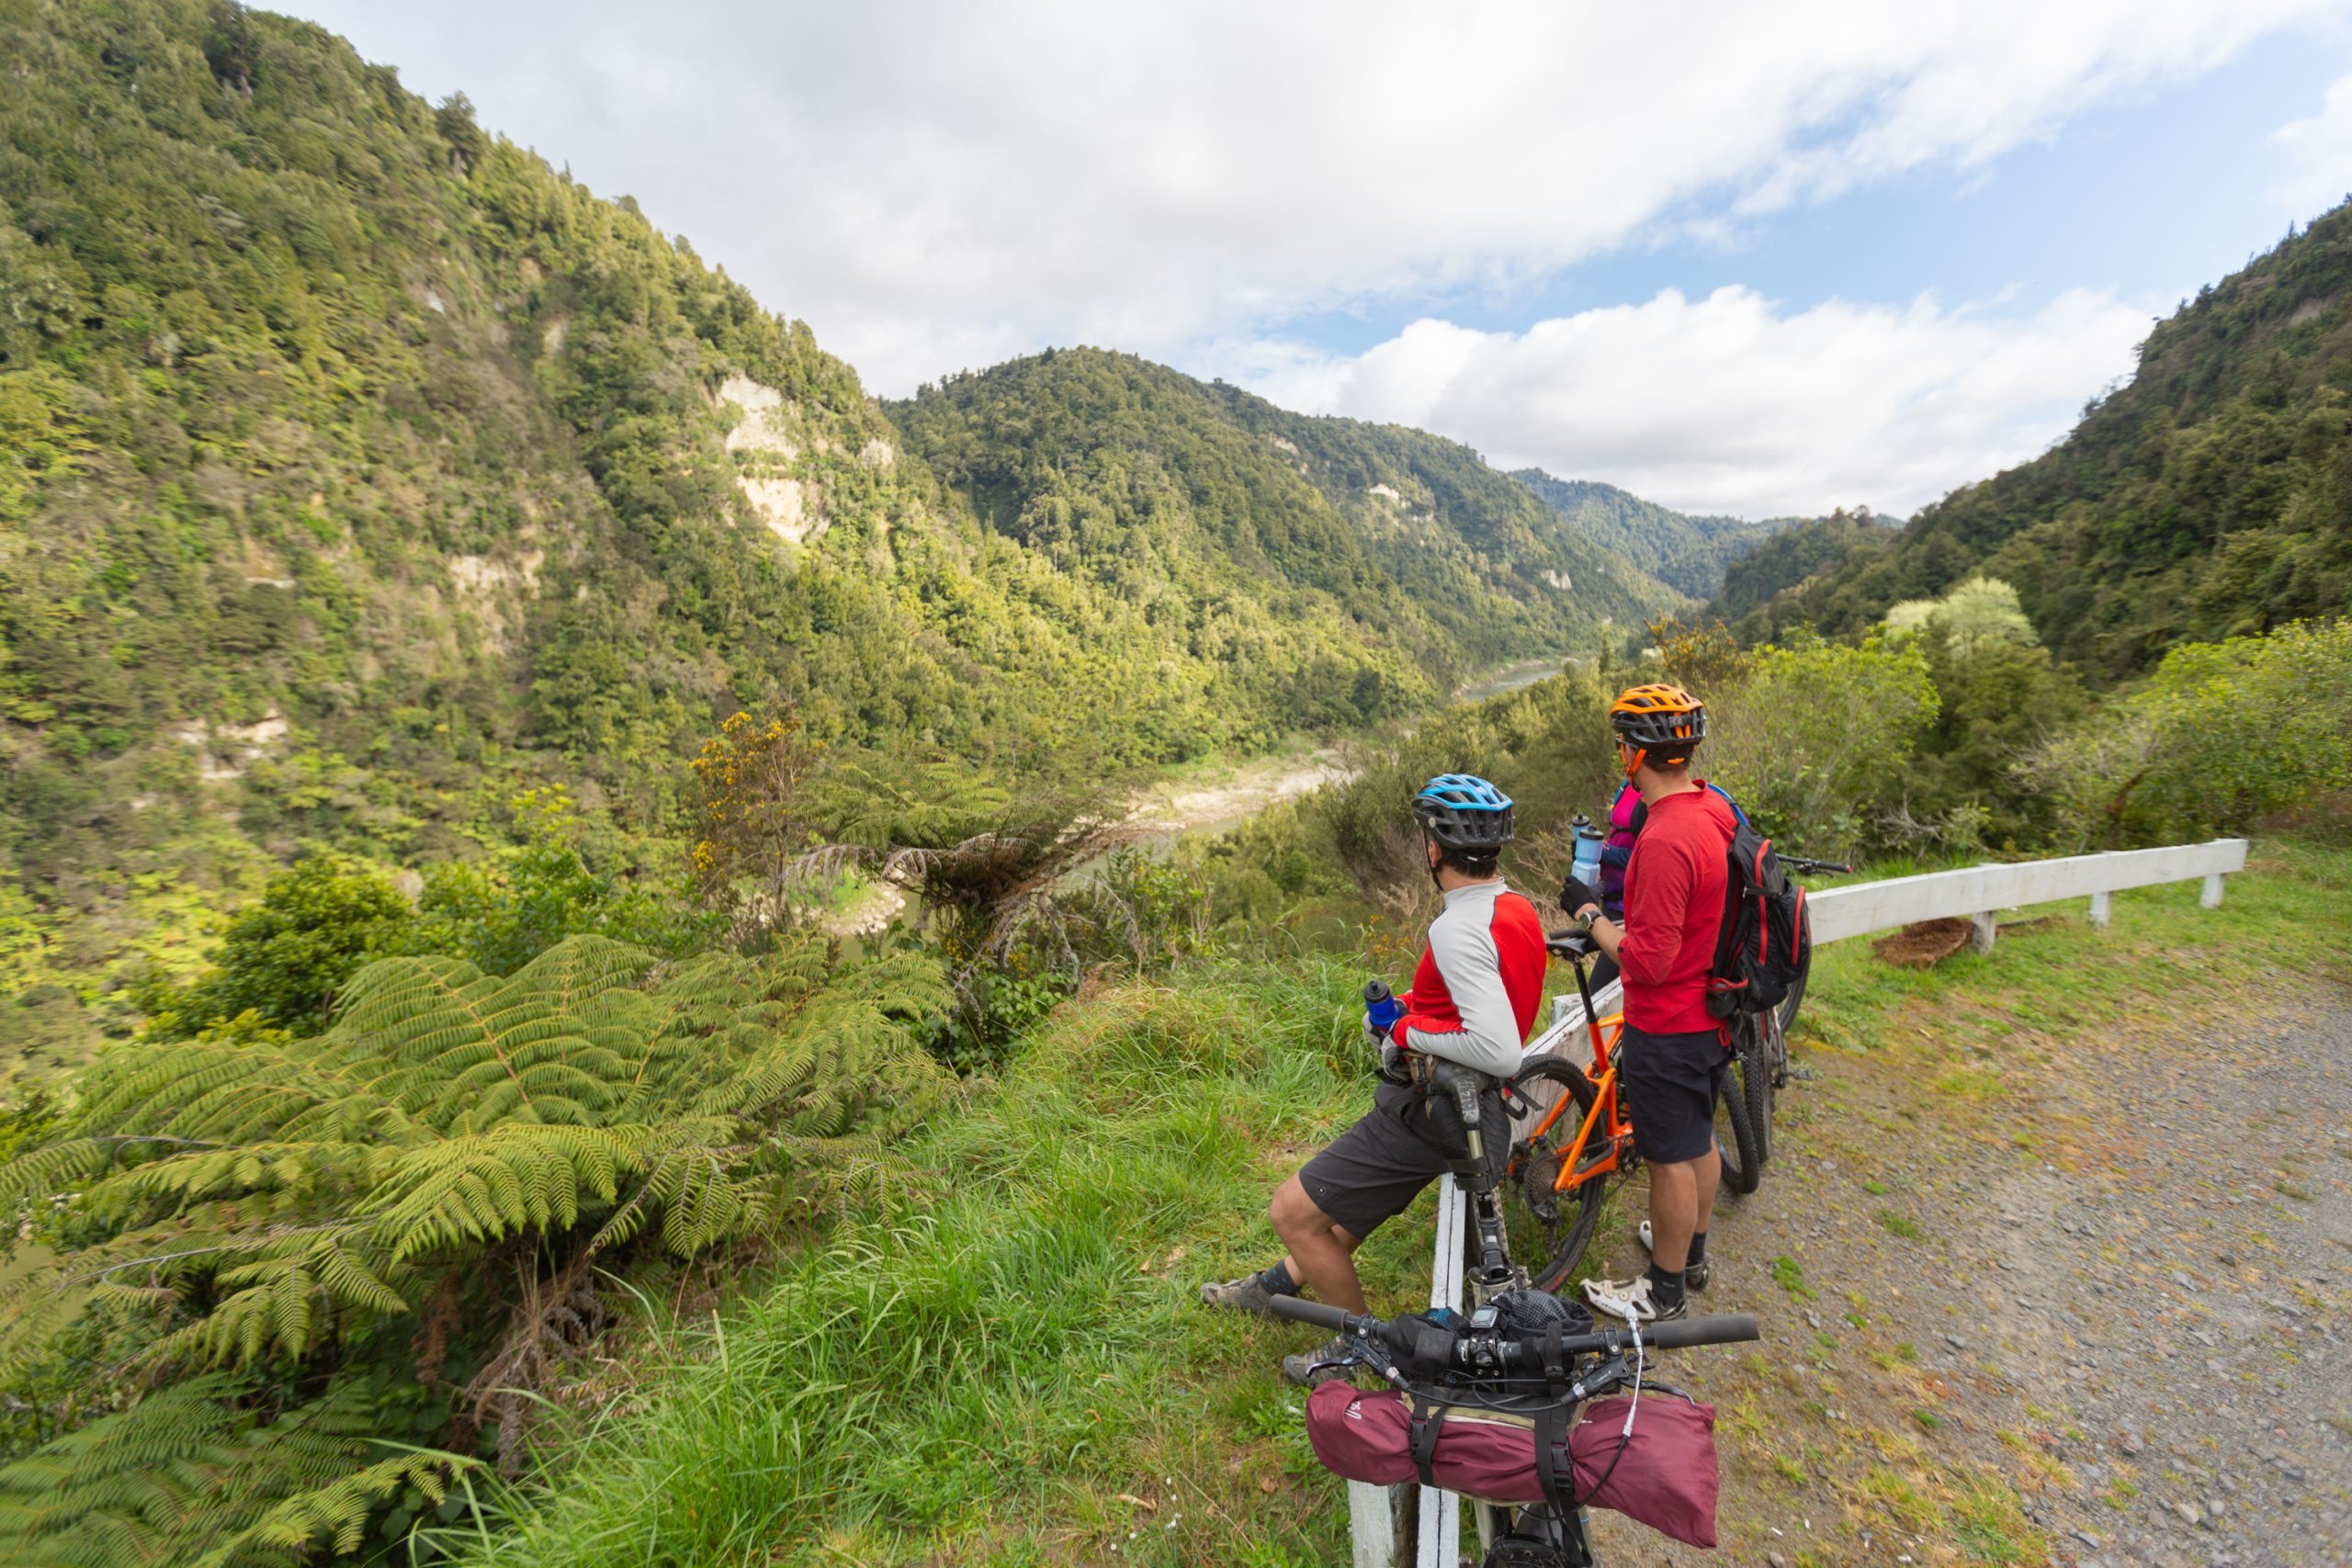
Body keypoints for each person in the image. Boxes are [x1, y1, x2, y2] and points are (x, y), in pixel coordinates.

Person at [1201, 773, 1549, 1382]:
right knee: (1336, 1212)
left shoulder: (1455, 926)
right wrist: (1411, 1008)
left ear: (1434, 847)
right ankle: (1277, 1286)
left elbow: (1498, 1048)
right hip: (1470, 1112)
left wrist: (1405, 1034)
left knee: (1292, 1213)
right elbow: (1481, 994)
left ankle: (1363, 1350)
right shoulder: (1513, 906)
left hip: (1440, 1111)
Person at [1558, 684, 1737, 1323]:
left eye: (1623, 744)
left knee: (1668, 1158)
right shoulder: (1711, 807)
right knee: (1698, 1140)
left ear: (1636, 754)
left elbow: (1647, 960)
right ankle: (1690, 1255)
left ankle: (1661, 1292)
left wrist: (1588, 913)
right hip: (1713, 1012)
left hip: (1670, 1022)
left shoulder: (1665, 839)